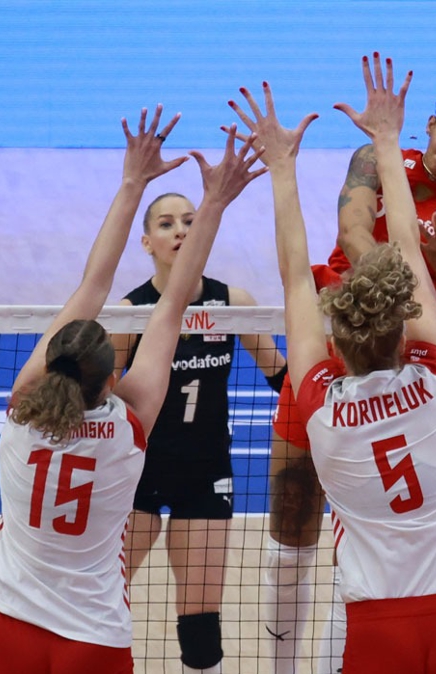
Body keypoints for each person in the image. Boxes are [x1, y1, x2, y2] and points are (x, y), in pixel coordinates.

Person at [237, 54, 436, 674]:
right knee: (292, 525)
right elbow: (353, 235)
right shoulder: (375, 162)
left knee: (362, 546)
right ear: (430, 124)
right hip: (338, 348)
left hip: (389, 370)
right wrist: (409, 290)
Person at [0, 107, 265, 674]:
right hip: (93, 638)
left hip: (10, 628)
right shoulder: (128, 428)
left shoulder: (20, 413)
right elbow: (174, 303)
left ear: (49, 368)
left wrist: (132, 181)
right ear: (114, 380)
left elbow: (92, 285)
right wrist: (214, 204)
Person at [113, 192, 287, 673]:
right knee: (100, 593)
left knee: (202, 624)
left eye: (190, 221)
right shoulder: (130, 312)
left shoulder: (232, 303)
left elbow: (281, 377)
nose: (181, 231)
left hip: (206, 474)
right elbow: (102, 397)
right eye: (167, 224)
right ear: (147, 241)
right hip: (138, 475)